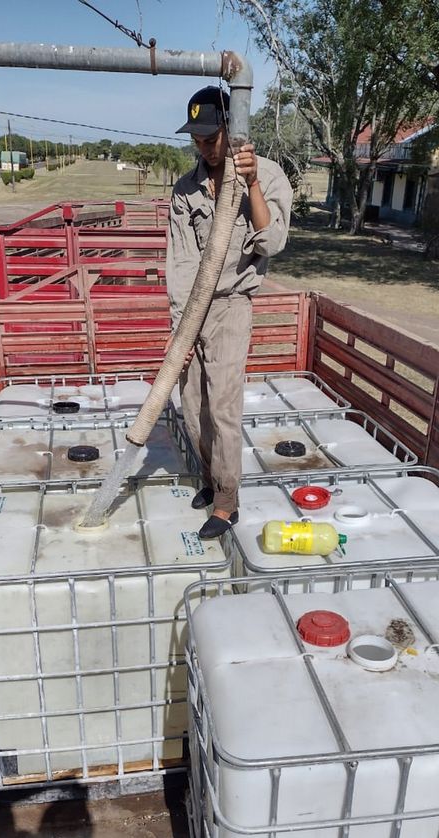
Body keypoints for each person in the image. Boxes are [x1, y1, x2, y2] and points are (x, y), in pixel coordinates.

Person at [167, 85, 293, 538]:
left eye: (210, 137)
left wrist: (251, 183)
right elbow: (180, 261)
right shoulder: (186, 189)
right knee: (192, 403)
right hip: (193, 307)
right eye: (196, 140)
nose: (203, 147)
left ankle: (226, 502)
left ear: (230, 127)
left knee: (222, 405)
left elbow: (272, 242)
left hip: (231, 304)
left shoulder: (268, 175)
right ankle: (210, 479)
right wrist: (179, 330)